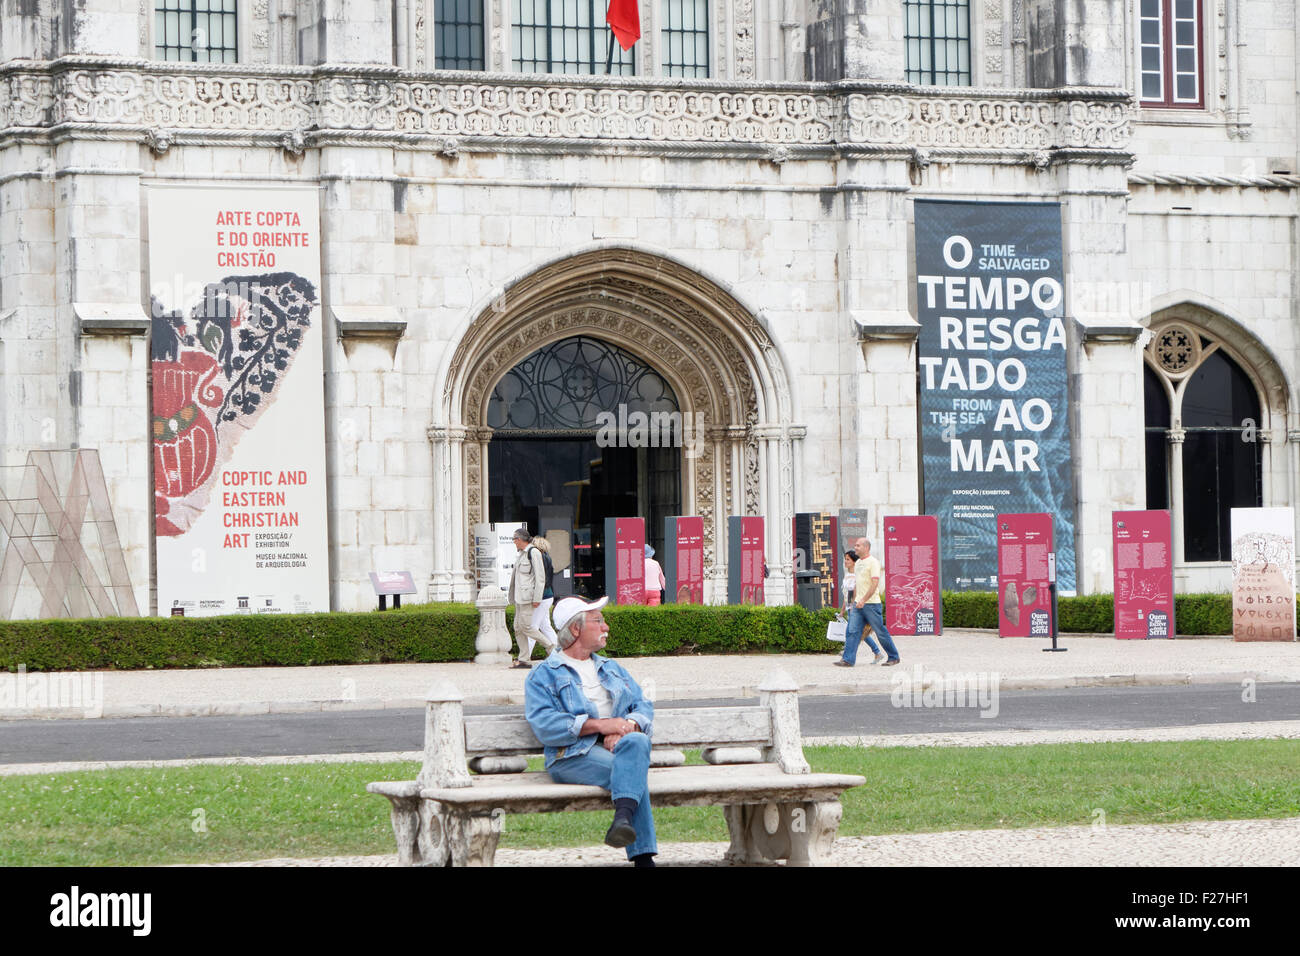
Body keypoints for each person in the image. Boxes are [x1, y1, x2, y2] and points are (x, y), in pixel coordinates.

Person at [524, 596, 658, 867]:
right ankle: (644, 860)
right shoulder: (544, 675)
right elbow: (545, 725)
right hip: (571, 755)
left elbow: (642, 705)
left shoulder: (610, 667)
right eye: (598, 621)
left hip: (619, 746)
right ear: (575, 629)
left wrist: (626, 726)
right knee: (632, 773)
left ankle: (622, 819)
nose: (606, 626)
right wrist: (600, 726)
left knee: (638, 742)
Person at [836, 536, 901, 667]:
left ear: (866, 547)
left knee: (880, 632)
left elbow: (875, 583)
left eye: (858, 545)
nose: (855, 548)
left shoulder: (873, 562)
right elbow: (857, 584)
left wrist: (864, 600)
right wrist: (853, 602)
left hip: (871, 604)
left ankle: (894, 657)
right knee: (852, 631)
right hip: (857, 605)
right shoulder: (858, 563)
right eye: (855, 545)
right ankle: (848, 660)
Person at [508, 528, 553, 668]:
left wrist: (537, 598)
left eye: (514, 539)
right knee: (518, 627)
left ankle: (551, 647)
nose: (514, 542)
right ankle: (524, 659)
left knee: (526, 627)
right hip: (519, 597)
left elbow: (540, 578)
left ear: (520, 539)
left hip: (528, 598)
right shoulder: (522, 554)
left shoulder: (533, 552)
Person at [531, 535, 560, 649]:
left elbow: (539, 579)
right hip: (548, 594)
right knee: (545, 626)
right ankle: (560, 650)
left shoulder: (539, 558)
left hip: (542, 596)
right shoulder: (547, 557)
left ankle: (525, 655)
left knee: (533, 627)